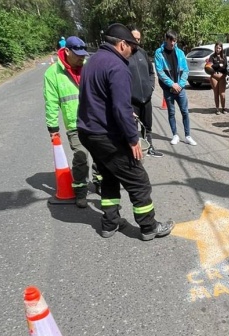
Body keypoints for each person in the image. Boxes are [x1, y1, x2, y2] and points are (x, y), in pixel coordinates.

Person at [77, 23, 174, 241]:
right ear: (122, 44)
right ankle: (149, 227)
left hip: (88, 132)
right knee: (138, 180)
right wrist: (132, 139)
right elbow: (121, 107)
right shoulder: (117, 65)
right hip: (106, 135)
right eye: (131, 46)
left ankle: (110, 223)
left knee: (109, 175)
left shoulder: (92, 61)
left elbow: (101, 99)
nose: (132, 51)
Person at [44, 36, 101, 208]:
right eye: (78, 55)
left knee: (100, 155)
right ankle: (81, 192)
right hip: (75, 124)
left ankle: (100, 182)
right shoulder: (53, 73)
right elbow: (51, 102)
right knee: (81, 157)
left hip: (95, 120)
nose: (82, 58)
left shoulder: (88, 67)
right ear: (67, 51)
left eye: (83, 55)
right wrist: (53, 127)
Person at [154, 30, 197, 146]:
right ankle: (175, 135)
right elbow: (160, 72)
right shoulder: (159, 53)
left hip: (180, 89)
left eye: (174, 40)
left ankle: (188, 135)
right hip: (168, 89)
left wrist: (180, 85)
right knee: (171, 112)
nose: (172, 43)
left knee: (185, 112)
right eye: (170, 40)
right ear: (166, 39)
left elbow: (185, 70)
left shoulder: (180, 53)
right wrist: (172, 84)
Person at [128, 26, 163, 158]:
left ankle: (149, 147)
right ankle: (133, 152)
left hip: (146, 98)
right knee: (132, 128)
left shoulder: (142, 52)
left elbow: (151, 72)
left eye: (138, 39)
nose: (136, 42)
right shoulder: (124, 54)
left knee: (147, 125)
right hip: (132, 100)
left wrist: (151, 87)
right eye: (134, 39)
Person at [207, 42, 227, 114]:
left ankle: (224, 108)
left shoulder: (224, 56)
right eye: (217, 48)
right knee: (216, 93)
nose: (218, 49)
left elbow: (225, 67)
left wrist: (219, 66)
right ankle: (217, 109)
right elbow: (211, 66)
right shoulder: (212, 56)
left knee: (222, 93)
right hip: (214, 77)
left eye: (219, 48)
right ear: (215, 48)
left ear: (221, 48)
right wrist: (219, 65)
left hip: (222, 77)